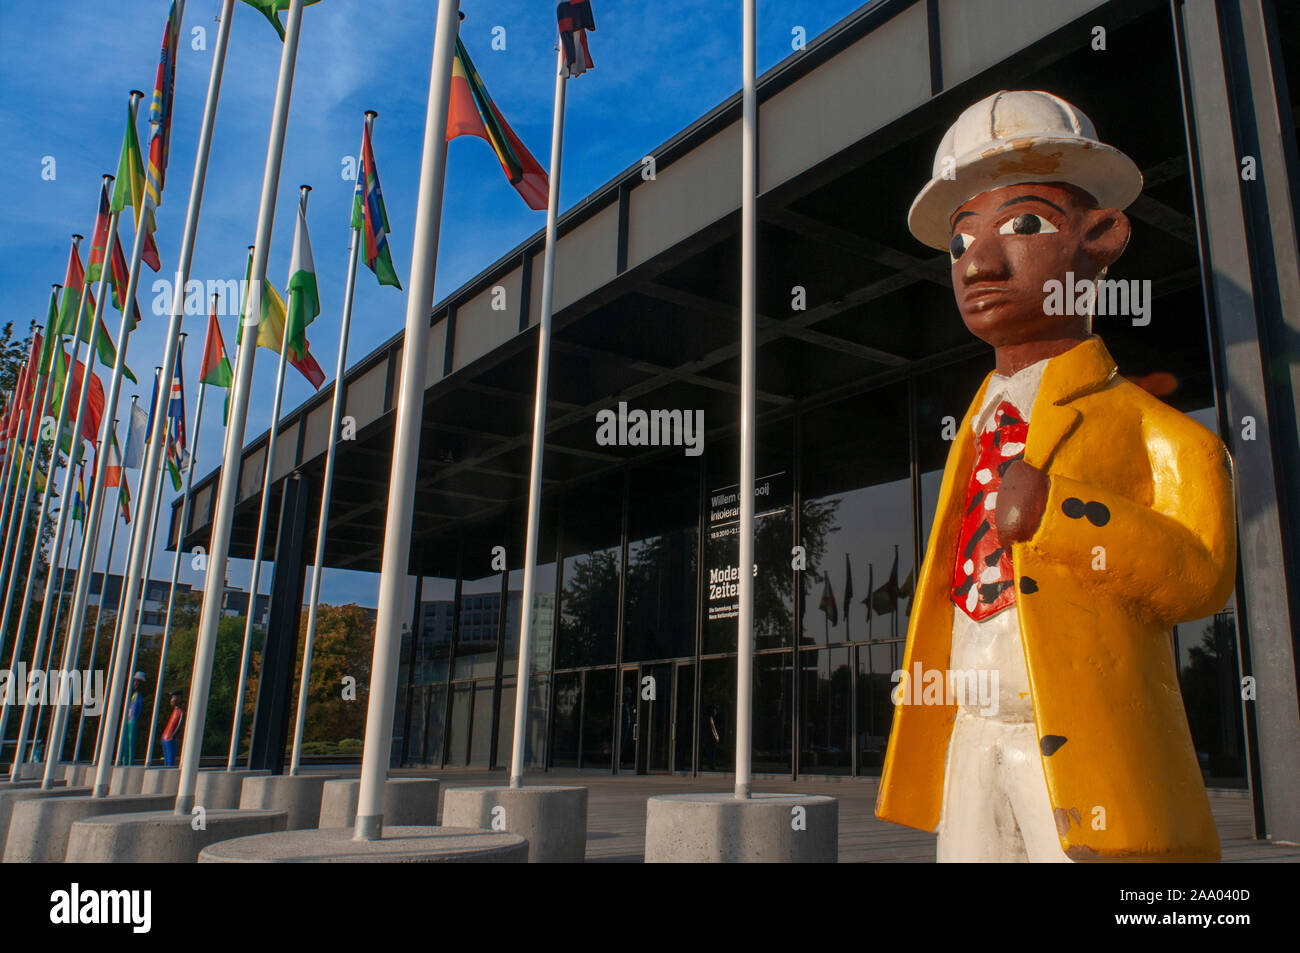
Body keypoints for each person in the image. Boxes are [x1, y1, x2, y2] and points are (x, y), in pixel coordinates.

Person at [875, 91, 1235, 862]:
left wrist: (1066, 514)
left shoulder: (1159, 432)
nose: (977, 262)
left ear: (1100, 238)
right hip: (969, 735)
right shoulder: (972, 433)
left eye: (1025, 225)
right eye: (958, 241)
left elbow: (1202, 576)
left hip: (1083, 748)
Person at [122, 672, 146, 766]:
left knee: (131, 741)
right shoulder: (133, 695)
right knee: (126, 742)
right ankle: (125, 761)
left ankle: (129, 762)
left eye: (138, 682)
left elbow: (138, 709)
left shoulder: (138, 696)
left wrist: (135, 718)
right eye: (135, 682)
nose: (135, 684)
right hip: (129, 720)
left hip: (133, 720)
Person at [161, 691, 184, 767]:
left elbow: (179, 725)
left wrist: (174, 735)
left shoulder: (180, 712)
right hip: (165, 737)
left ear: (179, 698)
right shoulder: (175, 711)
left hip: (170, 738)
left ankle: (169, 771)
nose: (172, 700)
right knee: (166, 759)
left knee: (170, 759)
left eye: (174, 697)